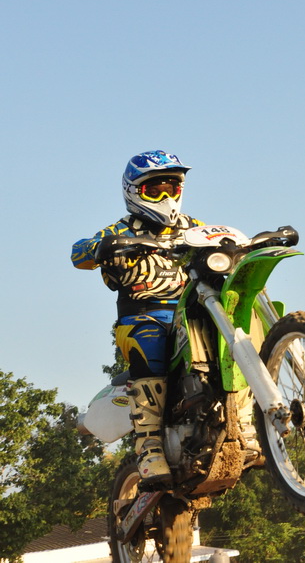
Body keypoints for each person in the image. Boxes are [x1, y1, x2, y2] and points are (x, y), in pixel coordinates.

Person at [71, 150, 204, 488]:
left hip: (192, 312)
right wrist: (103, 248)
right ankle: (149, 447)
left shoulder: (193, 228)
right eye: (154, 190)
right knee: (150, 341)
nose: (165, 197)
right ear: (133, 192)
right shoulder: (122, 229)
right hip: (145, 315)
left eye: (171, 188)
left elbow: (223, 237)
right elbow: (78, 252)